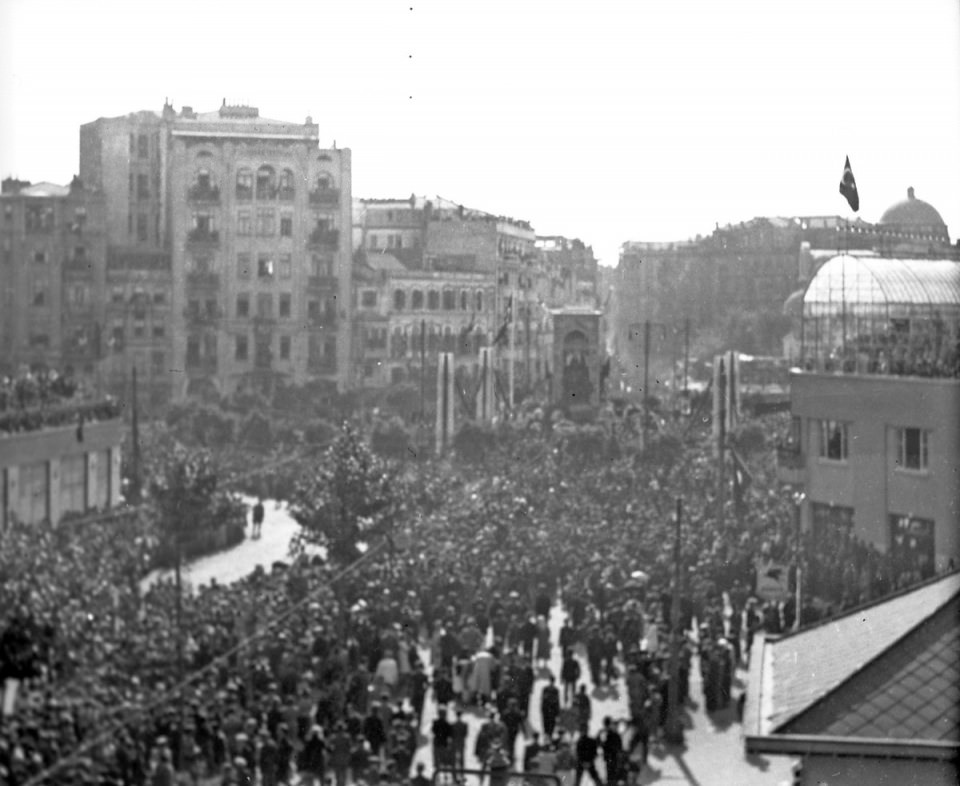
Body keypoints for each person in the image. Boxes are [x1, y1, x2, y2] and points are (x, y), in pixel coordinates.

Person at [600, 717, 622, 786]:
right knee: (613, 775)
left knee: (611, 776)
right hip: (613, 757)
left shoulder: (604, 733)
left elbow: (600, 743)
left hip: (610, 757)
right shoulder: (612, 733)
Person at [540, 674, 561, 739]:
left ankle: (547, 736)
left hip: (548, 709)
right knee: (550, 724)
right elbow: (557, 702)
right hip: (551, 710)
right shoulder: (555, 690)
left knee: (547, 724)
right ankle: (548, 736)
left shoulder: (546, 689)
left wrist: (542, 708)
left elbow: (543, 699)